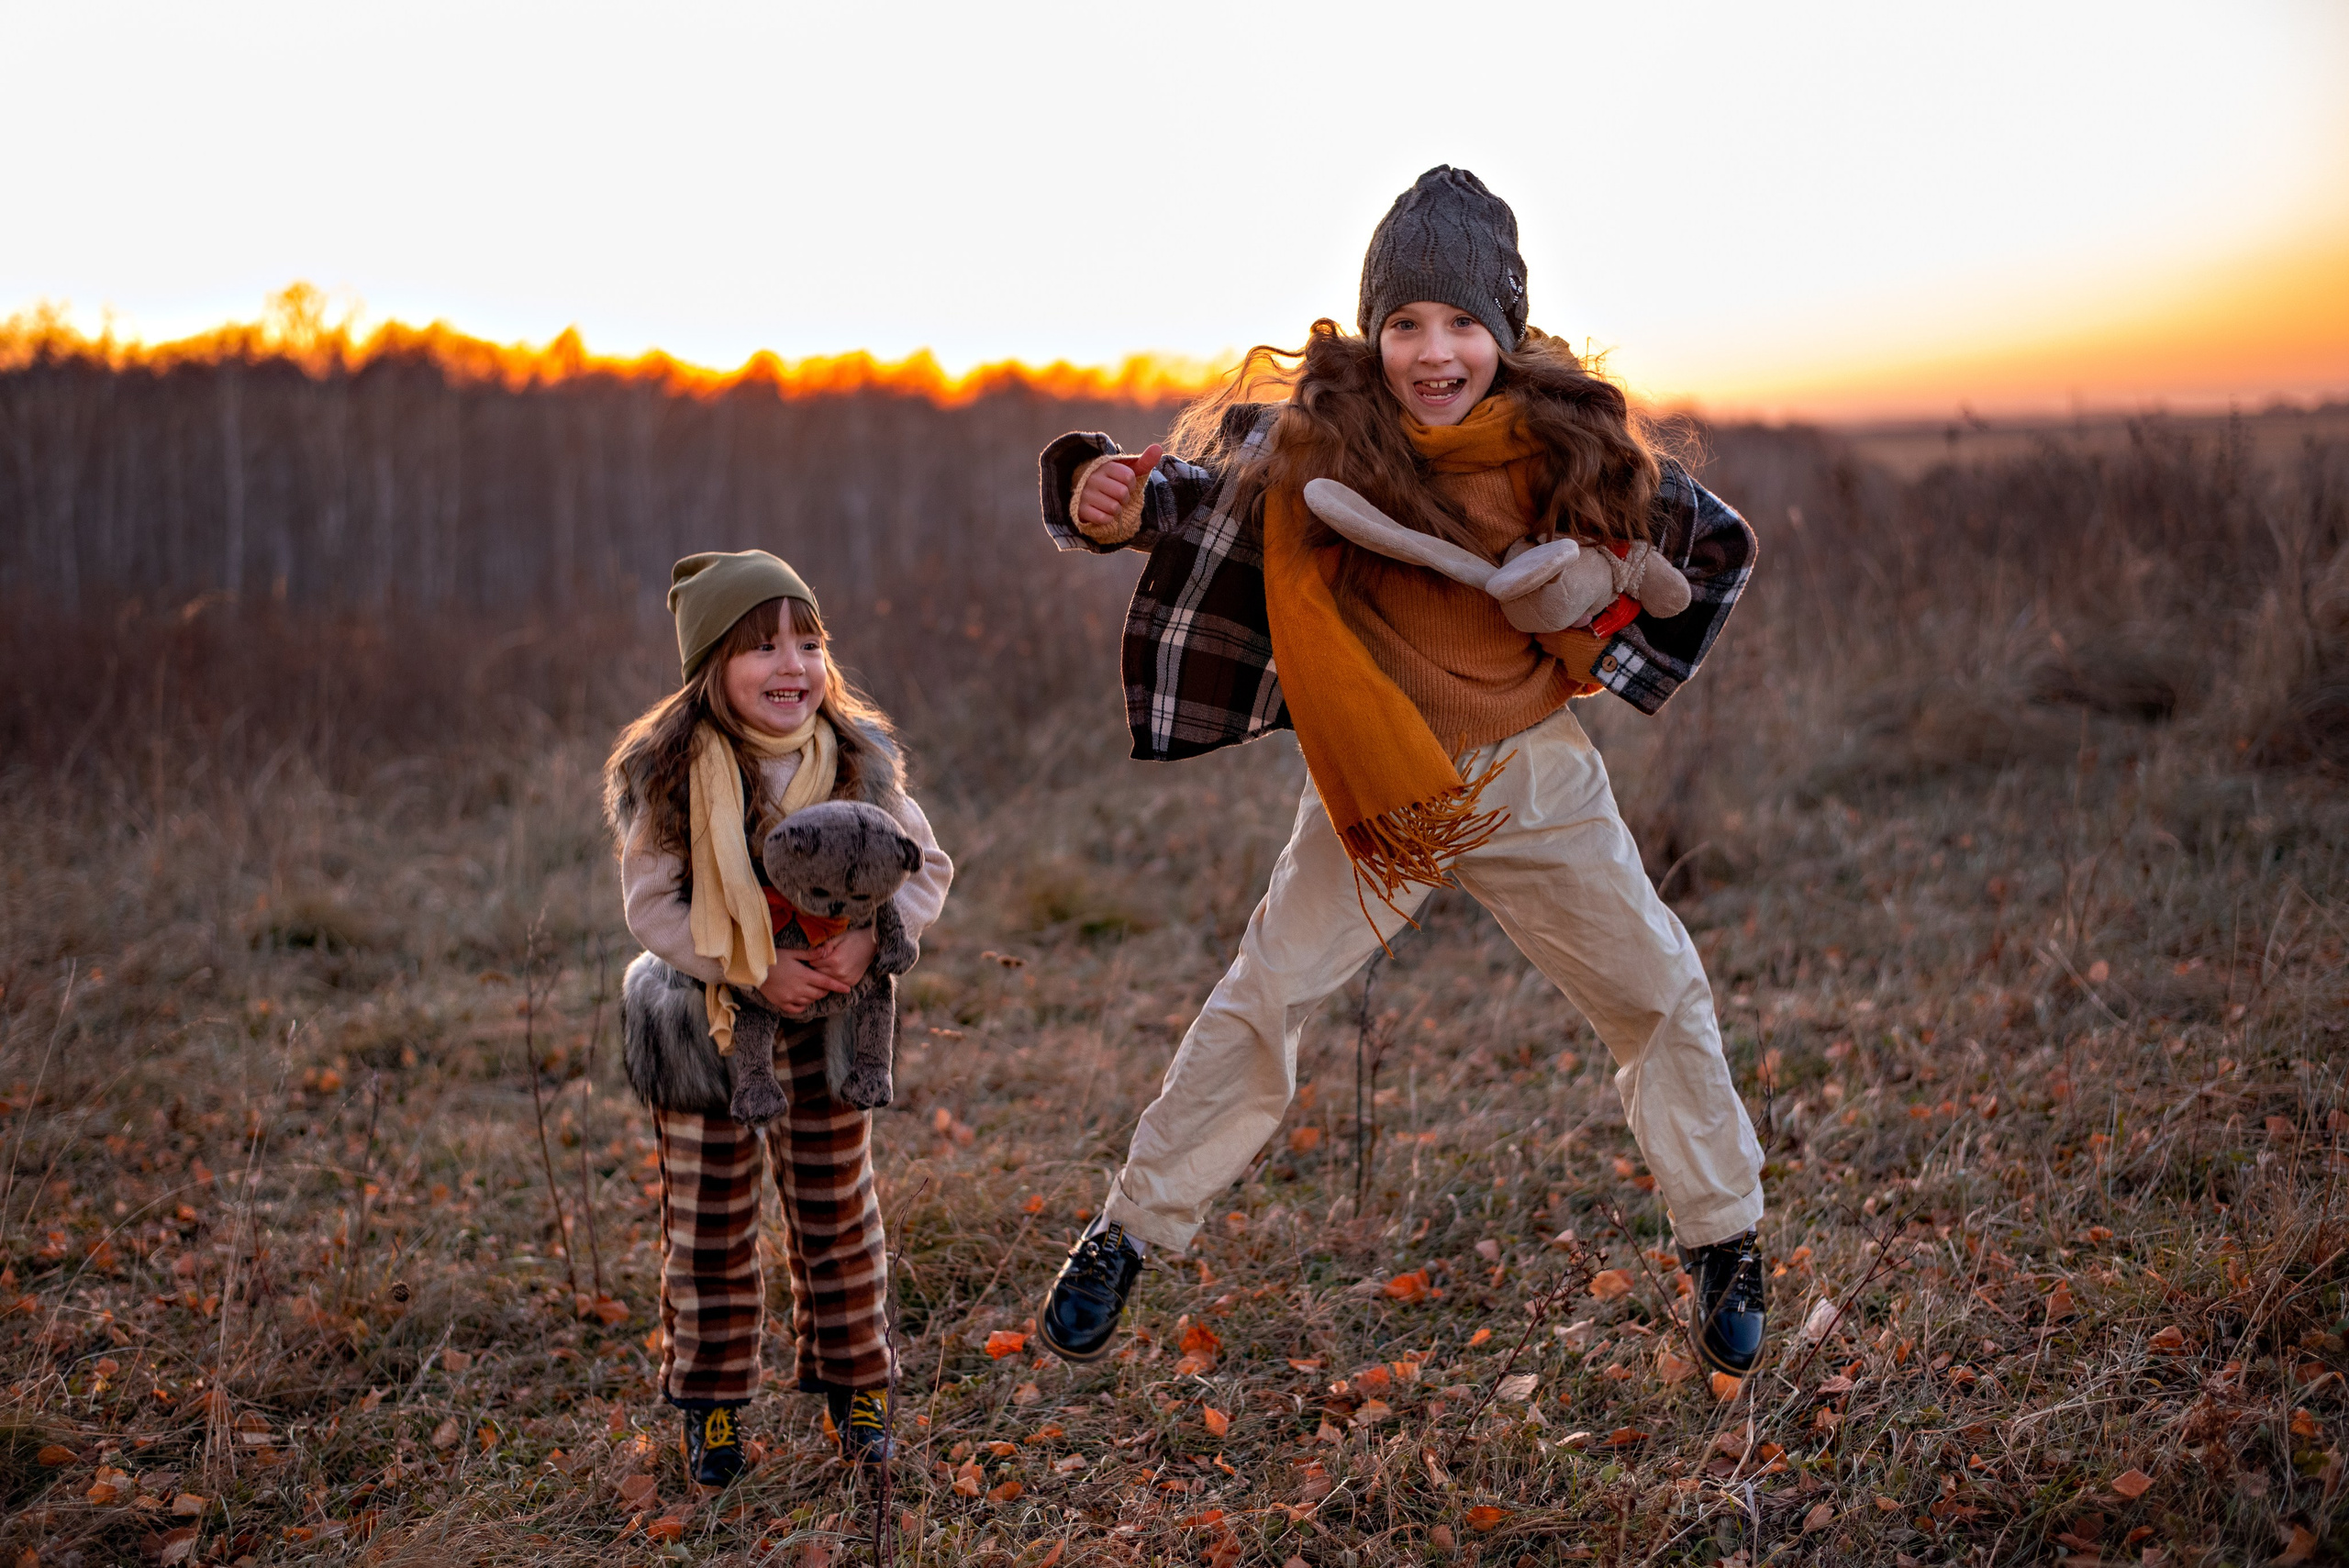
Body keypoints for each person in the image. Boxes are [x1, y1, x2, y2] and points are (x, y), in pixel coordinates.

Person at [1030, 167, 1767, 1376]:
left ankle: (1725, 1238)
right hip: (1382, 789)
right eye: (1407, 323)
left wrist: (1611, 630)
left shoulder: (1566, 443)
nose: (1434, 352)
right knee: (1265, 995)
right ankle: (1128, 1231)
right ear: (1375, 332)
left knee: (1657, 990)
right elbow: (1183, 497)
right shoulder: (1332, 443)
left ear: (1507, 330)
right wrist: (1096, 495)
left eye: (1462, 323)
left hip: (1534, 776)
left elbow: (1709, 549)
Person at [604, 550, 952, 1484]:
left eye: (808, 641)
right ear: (712, 665)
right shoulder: (674, 771)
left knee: (837, 1214)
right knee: (709, 1223)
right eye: (762, 647)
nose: (791, 664)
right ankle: (711, 1407)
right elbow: (651, 906)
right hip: (709, 1028)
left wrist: (869, 941)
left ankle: (857, 1386)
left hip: (832, 1021)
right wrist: (750, 967)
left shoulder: (856, 760)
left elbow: (928, 869)